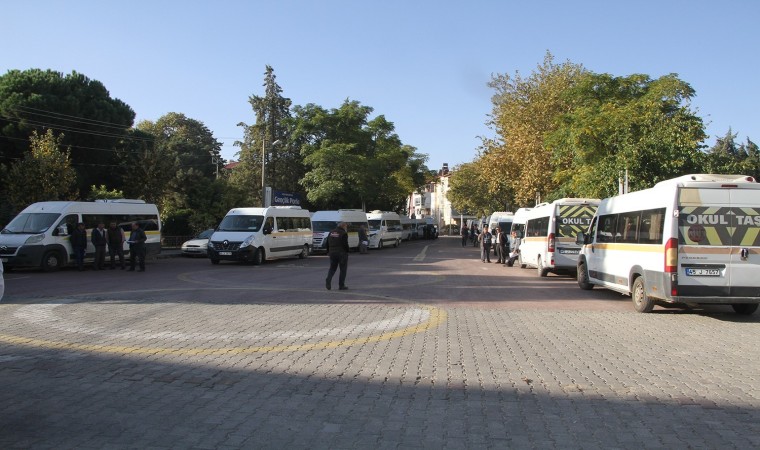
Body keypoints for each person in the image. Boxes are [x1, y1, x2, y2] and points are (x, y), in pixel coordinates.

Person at [325, 221, 349, 290]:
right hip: (342, 253)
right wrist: (347, 251)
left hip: (332, 253)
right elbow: (345, 244)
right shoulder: (343, 233)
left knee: (332, 268)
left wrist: (328, 251)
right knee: (343, 269)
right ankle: (341, 285)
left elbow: (327, 243)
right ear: (343, 226)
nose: (346, 228)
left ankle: (328, 279)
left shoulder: (331, 232)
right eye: (346, 226)